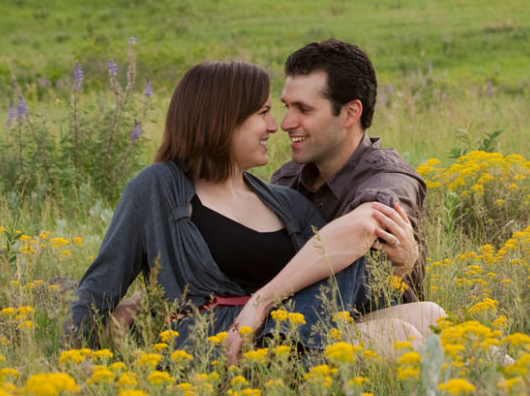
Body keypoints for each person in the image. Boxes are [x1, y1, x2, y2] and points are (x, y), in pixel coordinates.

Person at [68, 60, 442, 364]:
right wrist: (85, 359)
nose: (274, 126)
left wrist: (402, 265)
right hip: (221, 346)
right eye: (263, 113)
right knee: (400, 339)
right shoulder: (159, 189)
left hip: (287, 332)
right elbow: (98, 291)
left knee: (431, 316)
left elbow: (339, 289)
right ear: (222, 118)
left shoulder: (284, 201)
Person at [271, 39, 426, 300]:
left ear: (350, 113)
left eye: (304, 109)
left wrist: (263, 299)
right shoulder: (286, 180)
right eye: (287, 107)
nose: (286, 123)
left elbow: (367, 225)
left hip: (385, 333)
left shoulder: (391, 178)